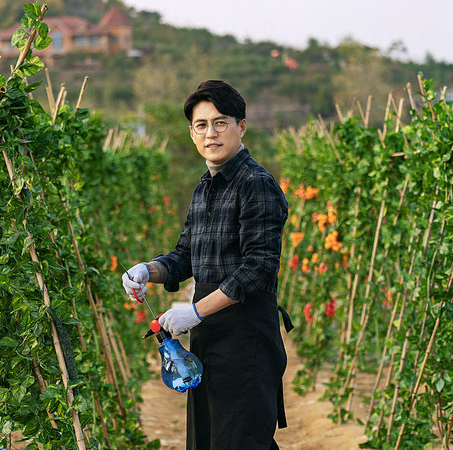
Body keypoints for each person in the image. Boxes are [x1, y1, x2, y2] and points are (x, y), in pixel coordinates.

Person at [122, 80, 293, 449]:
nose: (210, 133)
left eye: (220, 122)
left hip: (246, 342)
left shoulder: (255, 184)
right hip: (208, 342)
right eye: (201, 125)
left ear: (241, 126)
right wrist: (147, 271)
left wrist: (196, 311)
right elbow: (185, 256)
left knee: (240, 440)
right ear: (192, 132)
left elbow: (258, 267)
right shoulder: (204, 188)